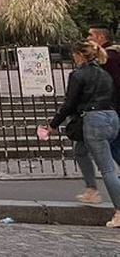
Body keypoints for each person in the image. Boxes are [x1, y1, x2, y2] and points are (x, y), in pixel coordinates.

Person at [44, 40, 120, 228]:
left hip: (94, 120)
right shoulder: (104, 74)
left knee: (108, 168)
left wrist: (53, 125)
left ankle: (119, 210)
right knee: (80, 150)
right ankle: (90, 189)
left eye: (74, 55)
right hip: (112, 117)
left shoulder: (78, 75)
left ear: (78, 55)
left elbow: (69, 104)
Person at [88, 25, 120, 164]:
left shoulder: (108, 57)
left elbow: (115, 82)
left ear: (100, 38)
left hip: (114, 105)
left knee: (114, 143)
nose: (88, 39)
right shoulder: (115, 52)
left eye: (91, 36)